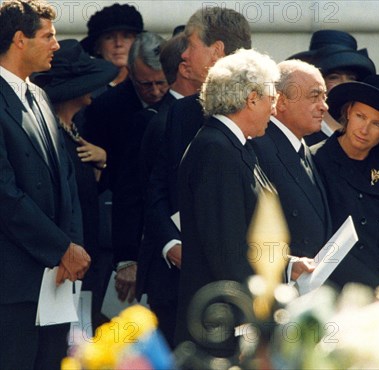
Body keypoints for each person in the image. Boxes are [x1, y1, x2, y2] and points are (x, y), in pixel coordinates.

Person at [145, 7, 251, 345]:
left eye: (191, 44)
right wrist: (171, 242)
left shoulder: (262, 108)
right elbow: (158, 185)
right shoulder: (181, 111)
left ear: (217, 50)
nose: (184, 54)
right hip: (182, 285)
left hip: (242, 287)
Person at [174, 49, 294, 349]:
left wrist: (289, 265)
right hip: (220, 324)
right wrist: (258, 317)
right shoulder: (216, 149)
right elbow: (226, 248)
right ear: (251, 99)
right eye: (271, 99)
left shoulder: (235, 146)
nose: (275, 109)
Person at [0, 1, 90, 368]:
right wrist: (60, 247)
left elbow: (66, 181)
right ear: (20, 40)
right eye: (48, 36)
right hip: (12, 285)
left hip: (54, 279)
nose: (56, 44)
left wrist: (72, 249)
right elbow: (5, 194)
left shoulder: (38, 96)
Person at [32, 39, 118, 330]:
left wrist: (102, 162)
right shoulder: (53, 138)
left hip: (84, 261)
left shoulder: (74, 131)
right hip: (63, 266)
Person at [312, 74, 379, 291]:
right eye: (361, 116)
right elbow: (318, 239)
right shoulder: (317, 160)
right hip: (336, 291)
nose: (364, 130)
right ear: (348, 112)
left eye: (377, 124)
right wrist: (373, 290)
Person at [84, 31, 167, 304]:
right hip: (117, 233)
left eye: (161, 83)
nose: (154, 92)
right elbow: (102, 181)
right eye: (145, 84)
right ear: (130, 73)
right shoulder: (106, 108)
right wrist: (126, 257)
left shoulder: (181, 106)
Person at [135, 31, 196, 347]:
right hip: (171, 271)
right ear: (185, 68)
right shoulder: (166, 121)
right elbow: (146, 194)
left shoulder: (182, 116)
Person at [251, 60, 331, 267]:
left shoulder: (304, 147)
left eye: (324, 97)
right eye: (315, 97)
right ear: (281, 101)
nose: (324, 106)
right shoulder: (259, 147)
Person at [289, 30, 376, 145]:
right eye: (334, 77)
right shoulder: (301, 132)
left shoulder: (365, 134)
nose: (344, 83)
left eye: (351, 78)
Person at [80, 3, 144, 87]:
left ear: (137, 43)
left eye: (126, 36)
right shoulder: (85, 87)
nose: (118, 43)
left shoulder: (148, 84)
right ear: (97, 47)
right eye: (109, 37)